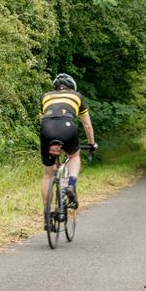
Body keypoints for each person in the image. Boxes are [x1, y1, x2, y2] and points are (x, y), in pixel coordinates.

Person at [39, 73, 96, 230]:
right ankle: (70, 184)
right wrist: (92, 144)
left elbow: (42, 120)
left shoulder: (45, 97)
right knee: (74, 156)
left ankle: (47, 216)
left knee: (48, 174)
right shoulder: (77, 96)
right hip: (67, 128)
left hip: (47, 129)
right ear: (72, 87)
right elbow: (87, 125)